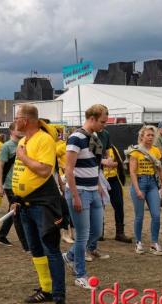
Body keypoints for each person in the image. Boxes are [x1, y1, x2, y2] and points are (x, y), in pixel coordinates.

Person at [10, 104, 68, 304]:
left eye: (17, 117)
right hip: (25, 204)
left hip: (43, 205)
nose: (15, 121)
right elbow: (21, 173)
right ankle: (46, 289)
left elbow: (44, 170)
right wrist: (17, 198)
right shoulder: (25, 141)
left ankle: (60, 297)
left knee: (51, 249)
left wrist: (23, 157)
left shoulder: (43, 139)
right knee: (35, 249)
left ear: (26, 119)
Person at [62, 104, 108, 289]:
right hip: (79, 191)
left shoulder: (93, 137)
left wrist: (98, 183)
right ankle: (80, 274)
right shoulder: (76, 137)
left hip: (92, 190)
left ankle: (70, 255)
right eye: (102, 121)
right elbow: (69, 169)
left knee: (96, 232)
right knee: (82, 236)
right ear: (92, 118)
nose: (104, 125)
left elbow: (92, 164)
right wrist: (75, 196)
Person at [127, 125, 162, 256]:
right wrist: (137, 189)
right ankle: (138, 242)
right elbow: (132, 172)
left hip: (152, 183)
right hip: (139, 182)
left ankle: (154, 243)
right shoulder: (135, 151)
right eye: (148, 135)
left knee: (156, 215)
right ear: (142, 136)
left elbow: (160, 168)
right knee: (139, 216)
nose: (150, 137)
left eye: (152, 135)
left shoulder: (156, 151)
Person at [0, 122, 29, 250]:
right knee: (17, 212)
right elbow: (0, 166)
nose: (21, 130)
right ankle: (26, 244)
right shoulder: (6, 146)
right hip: (10, 185)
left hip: (21, 184)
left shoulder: (24, 144)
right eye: (18, 129)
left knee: (12, 210)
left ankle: (1, 235)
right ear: (11, 131)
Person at [103, 144, 132, 243]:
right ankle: (99, 232)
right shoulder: (94, 147)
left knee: (119, 205)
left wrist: (113, 164)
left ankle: (120, 233)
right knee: (99, 206)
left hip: (114, 180)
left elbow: (119, 163)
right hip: (100, 180)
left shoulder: (113, 148)